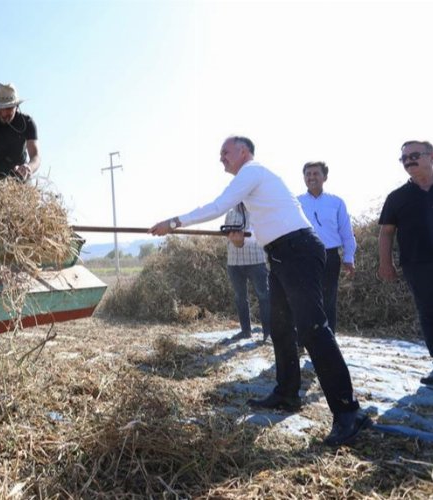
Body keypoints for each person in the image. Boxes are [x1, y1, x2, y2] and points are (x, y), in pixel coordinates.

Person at [149, 136, 369, 446]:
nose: (221, 159)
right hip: (281, 253)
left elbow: (217, 206)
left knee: (313, 330)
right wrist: (244, 241)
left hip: (299, 251)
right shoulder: (257, 187)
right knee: (280, 328)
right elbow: (270, 230)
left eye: (225, 152)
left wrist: (174, 222)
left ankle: (349, 413)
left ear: (243, 151)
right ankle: (286, 393)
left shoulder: (252, 171)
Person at [378, 140, 433, 385]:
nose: (409, 160)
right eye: (404, 158)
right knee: (429, 313)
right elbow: (386, 233)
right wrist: (385, 263)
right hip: (417, 264)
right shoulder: (397, 197)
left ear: (430, 156)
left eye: (414, 155)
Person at [298, 161, 357, 333]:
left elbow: (346, 231)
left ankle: (328, 340)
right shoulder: (296, 202)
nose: (311, 177)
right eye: (308, 174)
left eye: (315, 174)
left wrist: (349, 257)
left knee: (328, 299)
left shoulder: (336, 202)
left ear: (325, 177)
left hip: (329, 256)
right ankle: (302, 341)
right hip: (303, 257)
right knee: (303, 299)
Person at [222, 204, 271, 343]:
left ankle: (268, 333)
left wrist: (242, 240)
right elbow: (228, 237)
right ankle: (245, 331)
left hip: (256, 260)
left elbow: (260, 235)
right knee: (240, 297)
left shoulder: (258, 211)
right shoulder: (230, 214)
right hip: (234, 261)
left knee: (264, 296)